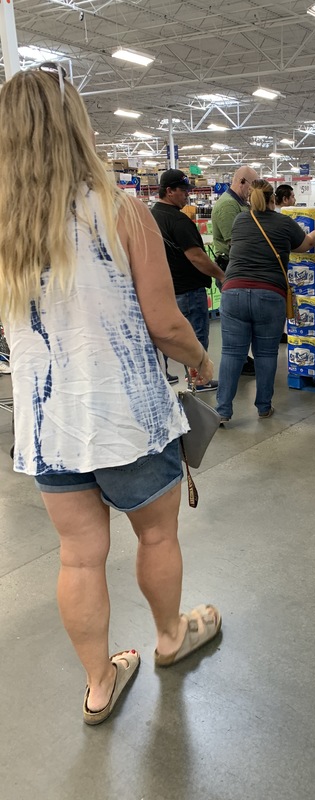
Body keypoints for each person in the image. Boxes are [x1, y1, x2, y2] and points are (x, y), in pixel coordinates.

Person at [0, 67, 222, 725]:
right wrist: (203, 360)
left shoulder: (5, 231)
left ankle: (100, 683)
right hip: (129, 418)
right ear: (76, 127)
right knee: (156, 538)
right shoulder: (120, 211)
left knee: (77, 557)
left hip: (48, 428)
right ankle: (170, 637)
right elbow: (165, 323)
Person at [216, 180, 315, 423]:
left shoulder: (240, 220)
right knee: (265, 353)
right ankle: (263, 407)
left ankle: (222, 411)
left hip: (233, 292)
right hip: (269, 294)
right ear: (273, 200)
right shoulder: (284, 223)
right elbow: (306, 245)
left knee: (232, 353)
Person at [151, 169, 225, 391]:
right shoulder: (178, 220)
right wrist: (221, 275)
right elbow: (196, 257)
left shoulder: (152, 216)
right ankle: (199, 380)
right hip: (189, 290)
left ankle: (164, 376)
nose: (187, 195)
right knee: (196, 337)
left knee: (167, 337)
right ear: (169, 191)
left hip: (165, 289)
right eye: (183, 191)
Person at [212, 165, 260, 376]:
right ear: (242, 182)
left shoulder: (240, 204)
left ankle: (242, 358)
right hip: (231, 269)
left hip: (241, 269)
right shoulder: (227, 206)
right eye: (252, 185)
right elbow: (236, 242)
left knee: (243, 319)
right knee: (235, 322)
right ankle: (238, 362)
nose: (253, 191)